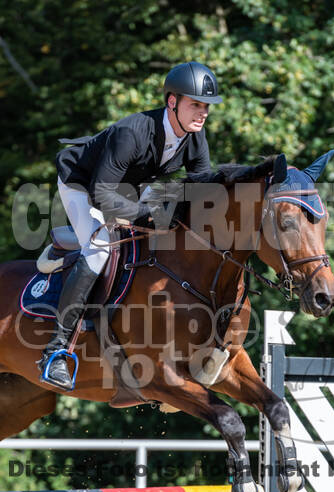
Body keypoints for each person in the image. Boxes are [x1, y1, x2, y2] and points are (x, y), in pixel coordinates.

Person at [38, 61, 223, 391]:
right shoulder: (132, 133)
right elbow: (101, 194)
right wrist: (146, 214)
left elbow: (203, 190)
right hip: (83, 185)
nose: (203, 113)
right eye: (196, 104)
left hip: (130, 186)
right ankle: (56, 351)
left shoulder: (195, 137)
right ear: (172, 101)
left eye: (206, 106)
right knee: (99, 251)